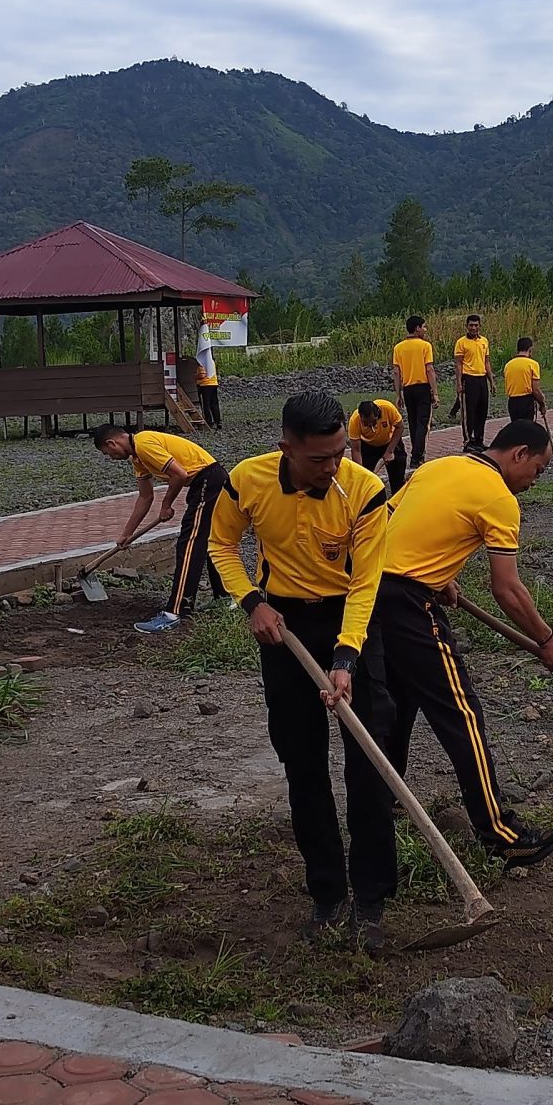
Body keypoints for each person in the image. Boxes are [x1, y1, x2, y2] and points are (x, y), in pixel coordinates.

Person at [207, 393, 405, 952]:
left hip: (352, 624)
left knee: (369, 762)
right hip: (284, 629)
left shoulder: (364, 490)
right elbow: (221, 544)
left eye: (340, 453)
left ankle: (371, 899)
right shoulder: (246, 481)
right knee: (303, 764)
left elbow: (366, 582)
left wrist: (345, 658)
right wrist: (251, 602)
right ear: (286, 449)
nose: (333, 466)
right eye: (319, 458)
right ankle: (327, 893)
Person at [376, 420, 553, 870]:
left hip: (370, 595)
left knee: (398, 705)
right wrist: (547, 640)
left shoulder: (438, 466)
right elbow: (507, 589)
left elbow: (387, 525)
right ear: (519, 454)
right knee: (460, 713)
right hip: (408, 606)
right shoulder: (499, 498)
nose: (534, 481)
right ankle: (501, 834)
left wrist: (438, 575)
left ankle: (382, 799)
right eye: (538, 470)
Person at [92, 423, 224, 633]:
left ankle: (175, 611)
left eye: (108, 453)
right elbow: (145, 497)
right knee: (207, 542)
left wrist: (166, 505)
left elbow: (179, 474)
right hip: (206, 482)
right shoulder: (138, 459)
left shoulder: (144, 443)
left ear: (112, 443)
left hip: (208, 480)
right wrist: (127, 533)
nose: (111, 457)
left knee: (189, 544)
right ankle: (224, 598)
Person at [393, 316, 437, 471]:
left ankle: (416, 452)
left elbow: (396, 372)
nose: (425, 330)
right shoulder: (425, 346)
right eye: (424, 327)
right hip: (422, 387)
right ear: (417, 328)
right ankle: (417, 456)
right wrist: (435, 392)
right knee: (423, 423)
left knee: (412, 422)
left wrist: (399, 394)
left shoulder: (398, 348)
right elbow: (429, 369)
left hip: (408, 389)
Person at [349, 397, 406, 492]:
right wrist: (360, 471)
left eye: (373, 421)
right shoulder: (354, 420)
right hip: (368, 445)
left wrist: (390, 451)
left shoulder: (387, 408)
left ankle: (398, 494)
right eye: (366, 423)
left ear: (378, 414)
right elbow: (356, 450)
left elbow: (400, 427)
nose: (371, 425)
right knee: (364, 478)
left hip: (390, 441)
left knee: (398, 469)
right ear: (360, 416)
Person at [454, 313, 493, 452]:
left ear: (479, 326)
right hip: (468, 379)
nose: (473, 328)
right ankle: (468, 442)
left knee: (482, 411)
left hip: (481, 378)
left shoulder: (484, 341)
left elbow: (486, 361)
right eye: (471, 325)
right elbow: (458, 364)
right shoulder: (461, 342)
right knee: (469, 412)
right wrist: (459, 383)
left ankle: (479, 440)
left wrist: (491, 381)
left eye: (476, 325)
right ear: (466, 326)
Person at [503, 337, 546, 423]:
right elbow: (535, 390)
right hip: (526, 402)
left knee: (516, 427)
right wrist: (542, 403)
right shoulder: (532, 364)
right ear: (530, 349)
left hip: (512, 402)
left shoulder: (508, 365)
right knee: (527, 427)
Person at [195, 345, 223, 428]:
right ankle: (218, 421)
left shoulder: (202, 362)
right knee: (214, 403)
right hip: (214, 383)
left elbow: (202, 375)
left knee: (206, 405)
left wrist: (195, 377)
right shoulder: (212, 362)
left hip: (205, 385)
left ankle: (209, 422)